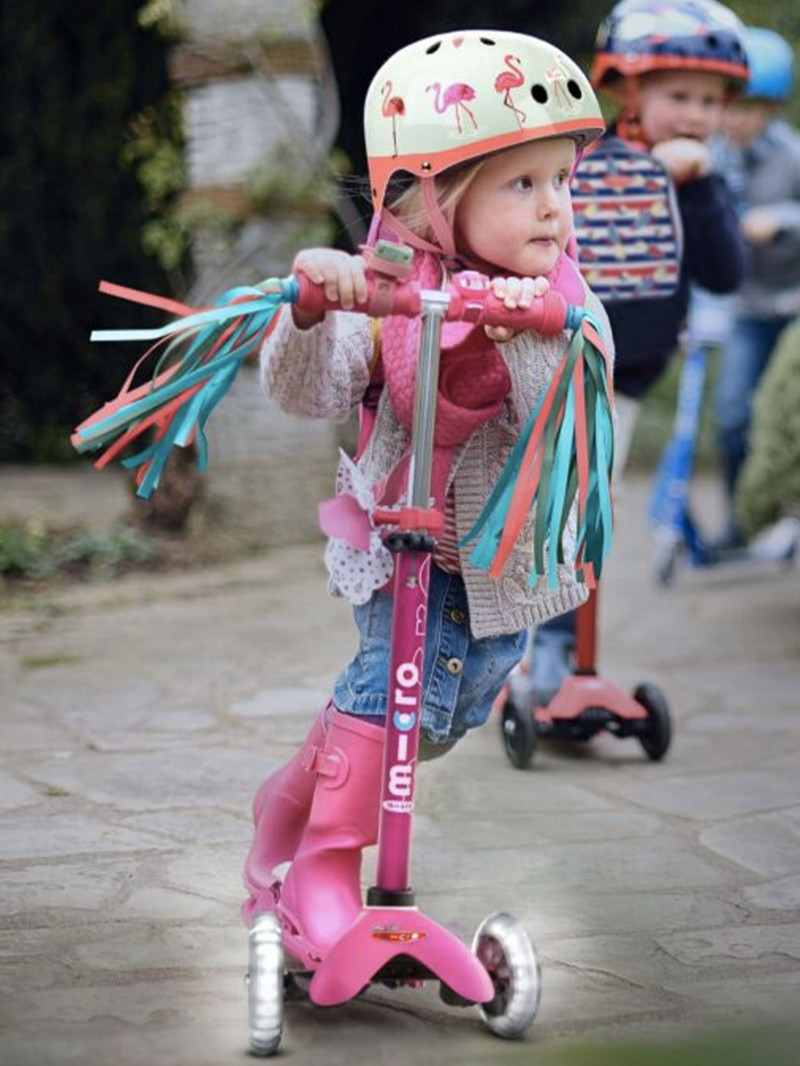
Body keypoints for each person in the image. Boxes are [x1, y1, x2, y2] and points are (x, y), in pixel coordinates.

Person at [240, 29, 614, 961]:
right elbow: (308, 391)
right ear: (438, 197)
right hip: (402, 557)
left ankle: (293, 788)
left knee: (444, 718)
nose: (554, 209)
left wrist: (533, 327)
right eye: (522, 185)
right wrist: (315, 308)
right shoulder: (395, 289)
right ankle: (327, 865)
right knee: (386, 704)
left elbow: (585, 372)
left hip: (499, 563)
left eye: (561, 183)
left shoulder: (560, 293)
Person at [514, 0, 749, 707]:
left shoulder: (701, 181)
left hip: (629, 381)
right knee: (562, 516)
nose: (696, 114)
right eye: (679, 95)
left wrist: (697, 187)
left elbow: (725, 272)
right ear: (625, 91)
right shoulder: (583, 168)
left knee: (589, 519)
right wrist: (646, 176)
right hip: (561, 370)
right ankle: (544, 655)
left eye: (710, 100)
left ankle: (566, 656)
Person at [709, 27, 800, 549]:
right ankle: (743, 521)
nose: (732, 121)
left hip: (793, 308)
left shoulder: (790, 156)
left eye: (745, 109)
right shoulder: (716, 155)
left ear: (770, 109)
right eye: (726, 107)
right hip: (748, 307)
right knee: (732, 417)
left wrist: (781, 218)